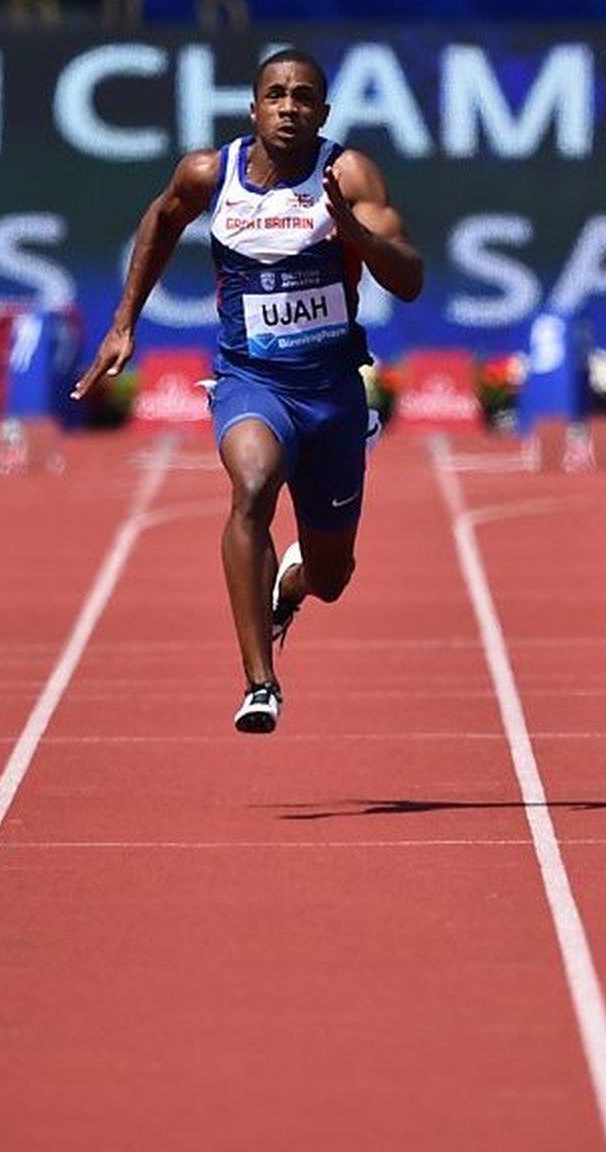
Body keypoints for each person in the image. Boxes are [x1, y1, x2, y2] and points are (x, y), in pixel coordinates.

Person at [72, 48, 422, 733]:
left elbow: (409, 278)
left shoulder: (347, 174)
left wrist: (352, 233)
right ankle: (260, 682)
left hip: (331, 395)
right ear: (253, 107)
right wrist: (123, 323)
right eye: (276, 95)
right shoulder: (212, 172)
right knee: (253, 485)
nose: (289, 107)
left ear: (322, 113)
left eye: (304, 98)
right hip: (251, 381)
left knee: (331, 577)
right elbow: (162, 220)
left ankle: (290, 582)